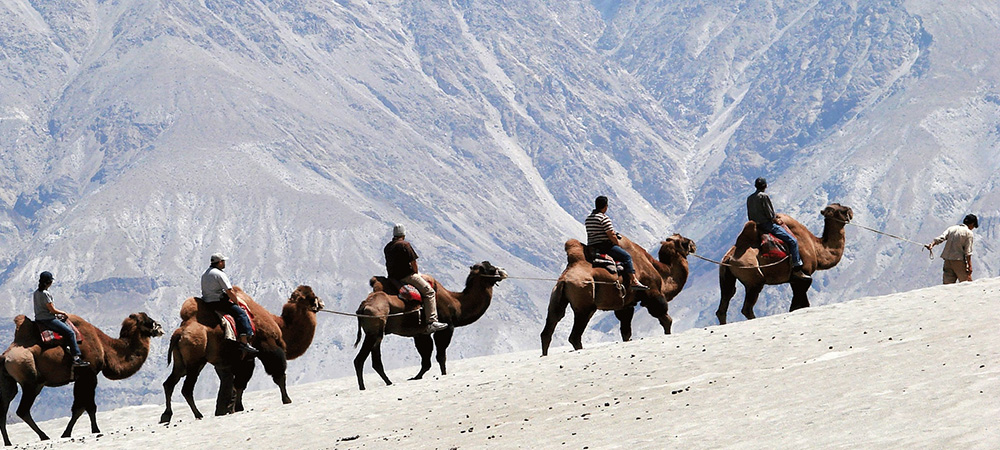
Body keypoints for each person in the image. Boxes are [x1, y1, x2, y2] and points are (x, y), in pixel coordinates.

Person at [384, 224, 448, 333]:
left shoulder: (388, 247)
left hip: (393, 278)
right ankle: (432, 321)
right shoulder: (405, 245)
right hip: (407, 276)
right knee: (429, 292)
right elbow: (413, 262)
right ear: (403, 234)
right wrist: (415, 274)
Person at [746, 177, 810, 280]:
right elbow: (770, 214)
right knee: (792, 241)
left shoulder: (750, 198)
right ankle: (797, 267)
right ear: (765, 186)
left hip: (755, 225)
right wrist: (775, 219)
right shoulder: (764, 196)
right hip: (766, 225)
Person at [585, 196, 648, 290]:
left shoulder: (588, 219)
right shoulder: (604, 218)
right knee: (626, 256)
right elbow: (611, 235)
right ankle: (634, 281)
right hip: (605, 246)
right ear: (605, 206)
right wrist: (617, 244)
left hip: (592, 246)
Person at [201, 253, 257, 354]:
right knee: (241, 314)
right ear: (220, 262)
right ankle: (244, 342)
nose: (224, 264)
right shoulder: (219, 274)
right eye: (224, 261)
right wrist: (237, 303)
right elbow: (229, 291)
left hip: (206, 302)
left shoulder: (205, 274)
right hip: (218, 302)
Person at [33, 271, 89, 367]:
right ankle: (76, 358)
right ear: (49, 282)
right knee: (70, 333)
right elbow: (52, 309)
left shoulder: (36, 293)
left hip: (39, 318)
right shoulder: (45, 294)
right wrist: (62, 312)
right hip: (48, 319)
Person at [925, 214, 978, 284]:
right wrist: (970, 266)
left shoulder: (952, 228)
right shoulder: (969, 233)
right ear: (972, 224)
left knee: (947, 284)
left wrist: (932, 244)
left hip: (947, 260)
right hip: (958, 261)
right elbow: (968, 252)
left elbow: (941, 238)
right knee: (966, 283)